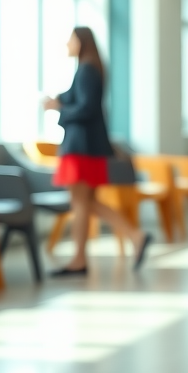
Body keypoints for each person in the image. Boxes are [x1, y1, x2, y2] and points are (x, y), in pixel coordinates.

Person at [43, 27, 151, 276]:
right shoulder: (87, 69)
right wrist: (58, 101)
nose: (67, 45)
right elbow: (74, 98)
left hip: (81, 148)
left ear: (81, 42)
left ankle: (81, 259)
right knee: (86, 202)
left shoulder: (87, 70)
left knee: (81, 202)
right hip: (88, 147)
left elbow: (86, 108)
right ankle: (135, 236)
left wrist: (58, 108)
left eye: (70, 40)